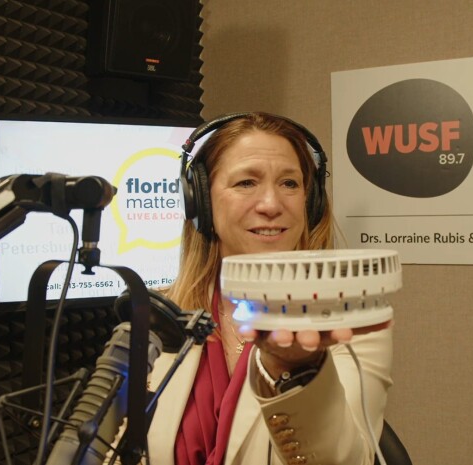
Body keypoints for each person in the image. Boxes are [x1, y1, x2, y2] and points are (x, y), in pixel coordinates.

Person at [138, 112, 394, 465]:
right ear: (200, 201)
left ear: (311, 201)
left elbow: (347, 460)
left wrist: (300, 370)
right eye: (246, 183)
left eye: (289, 183)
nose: (271, 205)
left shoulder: (349, 319)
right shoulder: (161, 317)